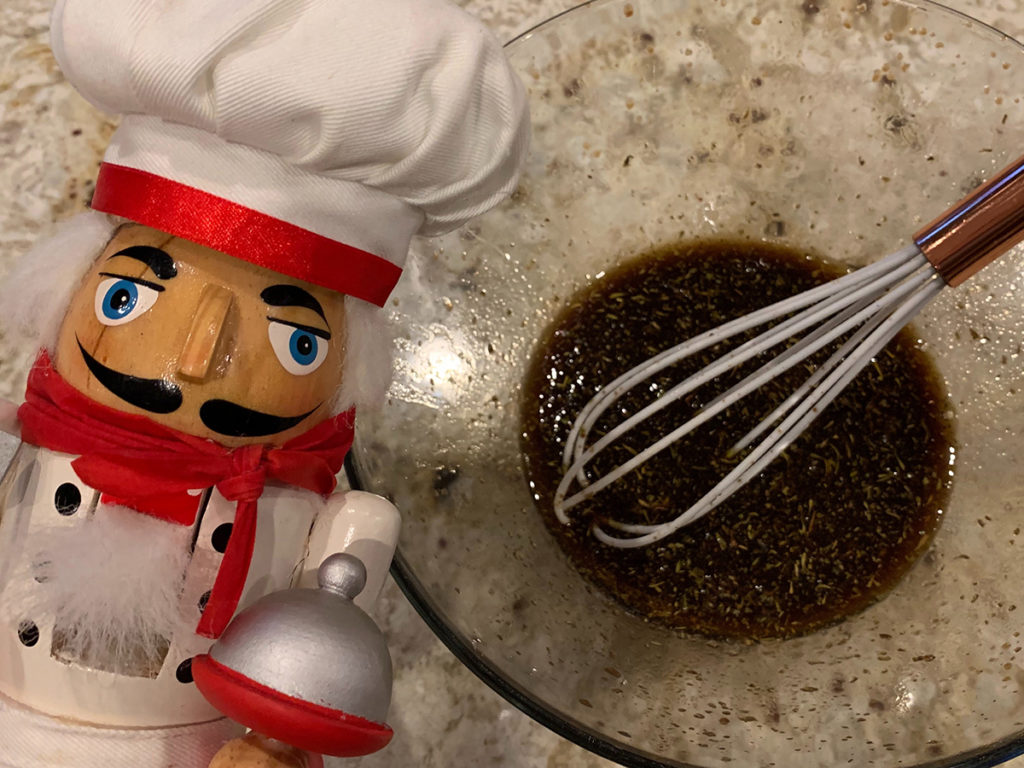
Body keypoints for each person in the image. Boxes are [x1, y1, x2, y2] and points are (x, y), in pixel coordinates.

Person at [0, 0, 530, 765]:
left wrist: (276, 748)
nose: (193, 357)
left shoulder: (334, 522)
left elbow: (313, 669)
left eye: (297, 341)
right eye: (131, 296)